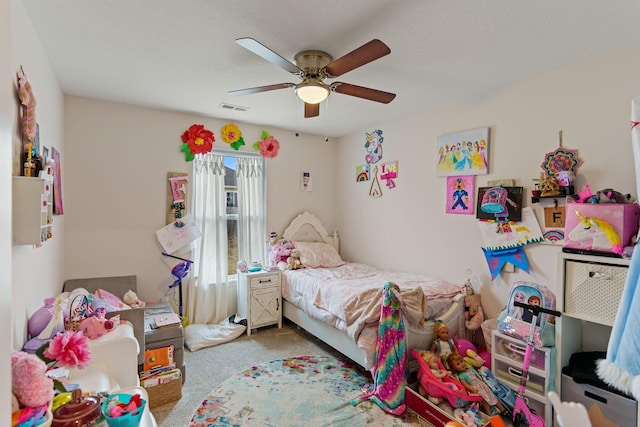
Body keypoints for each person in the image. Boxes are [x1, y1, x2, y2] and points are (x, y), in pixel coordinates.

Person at [448, 353, 509, 417]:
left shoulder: (470, 369)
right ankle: (489, 415)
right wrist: (473, 389)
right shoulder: (461, 376)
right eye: (458, 364)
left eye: (461, 361)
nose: (461, 364)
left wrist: (484, 383)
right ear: (454, 368)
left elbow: (477, 376)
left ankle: (503, 410)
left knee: (492, 397)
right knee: (484, 400)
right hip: (476, 389)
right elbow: (466, 385)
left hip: (482, 386)